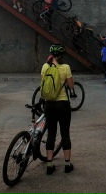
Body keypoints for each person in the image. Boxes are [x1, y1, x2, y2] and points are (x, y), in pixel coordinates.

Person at [40, 44, 74, 175]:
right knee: (65, 133)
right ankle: (67, 164)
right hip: (62, 104)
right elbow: (71, 86)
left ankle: (49, 164)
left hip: (49, 104)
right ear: (62, 56)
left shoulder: (45, 66)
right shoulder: (66, 67)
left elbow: (43, 84)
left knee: (51, 133)